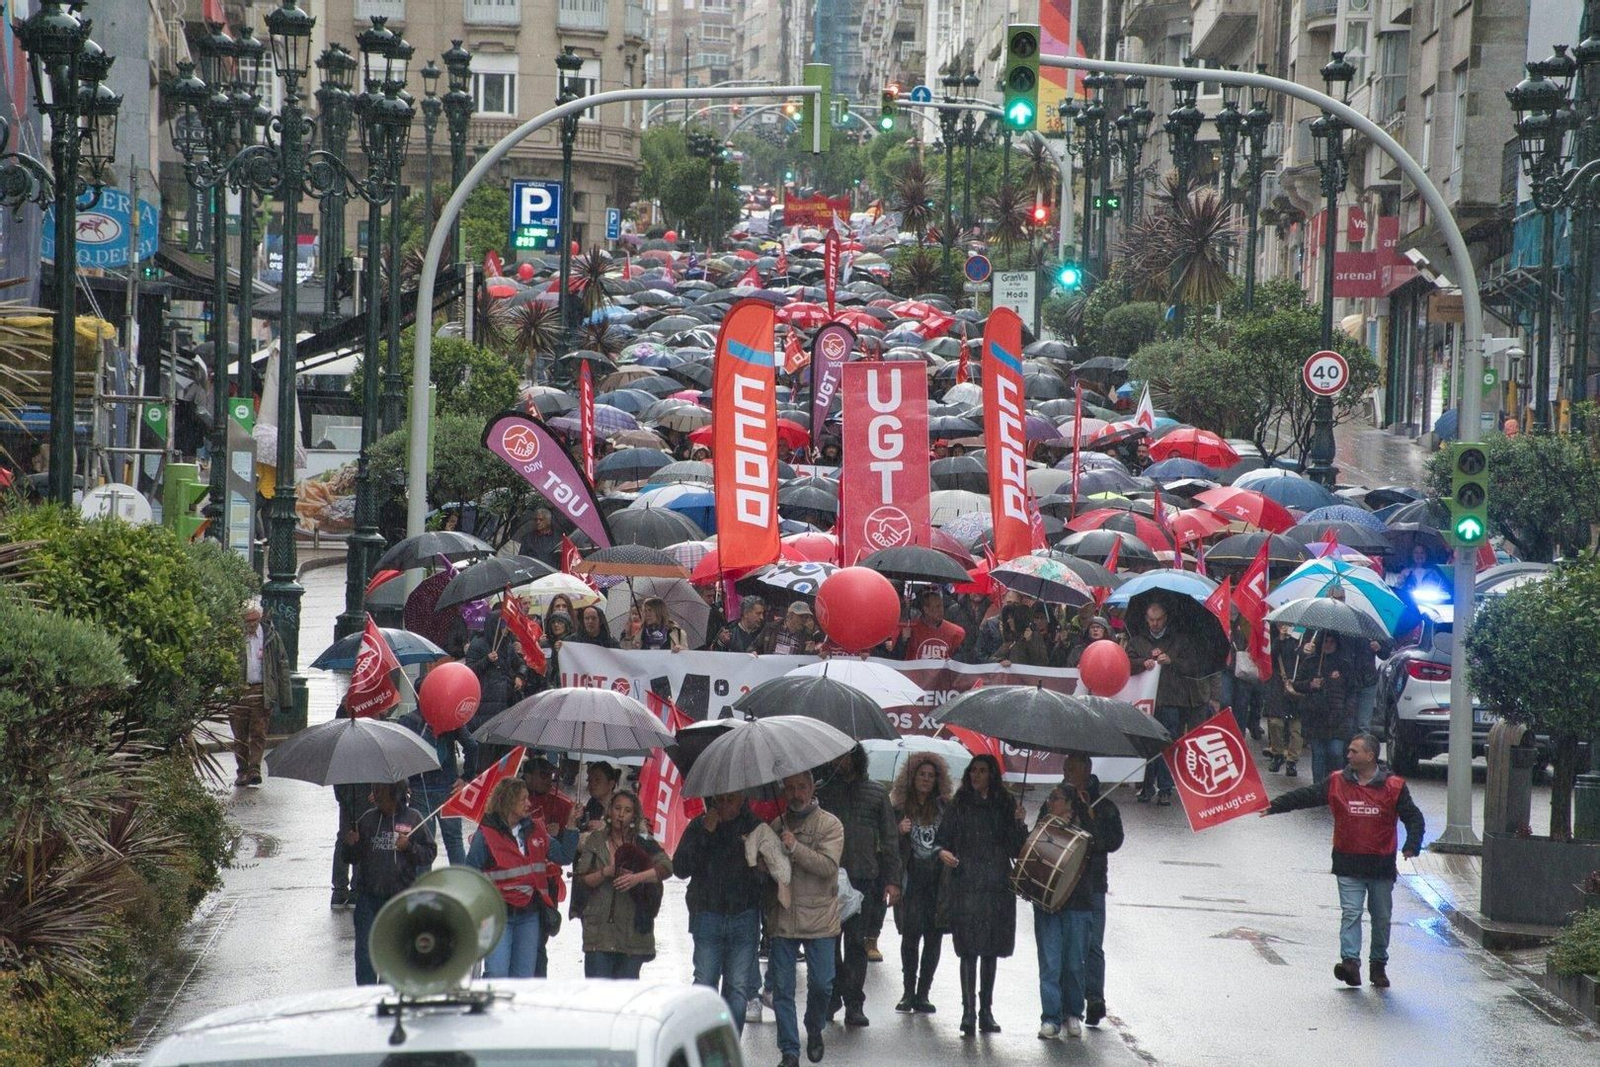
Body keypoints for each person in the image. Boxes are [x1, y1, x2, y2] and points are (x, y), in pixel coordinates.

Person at [1261, 733, 1425, 989]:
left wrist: (1412, 845)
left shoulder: (1394, 787)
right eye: (1348, 751)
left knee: (1381, 917)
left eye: (1354, 751)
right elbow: (1307, 796)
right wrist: (1275, 806)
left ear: (1370, 756)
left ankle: (1378, 965)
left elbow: (1413, 817)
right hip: (1348, 864)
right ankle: (1350, 964)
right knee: (1351, 913)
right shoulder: (1338, 781)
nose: (1348, 755)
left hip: (1380, 867)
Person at [933, 754, 1029, 1036]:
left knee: (990, 949)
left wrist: (1019, 823)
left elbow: (1016, 848)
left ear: (992, 775)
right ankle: (968, 1012)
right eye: (972, 771)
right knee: (968, 949)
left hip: (997, 884)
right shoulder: (959, 804)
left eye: (982, 771)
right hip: (966, 883)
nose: (976, 775)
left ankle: (986, 1010)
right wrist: (943, 853)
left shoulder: (1005, 803)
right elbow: (942, 839)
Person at [817, 744, 902, 1028]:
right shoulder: (823, 791)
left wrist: (892, 880)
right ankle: (832, 997)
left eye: (847, 755)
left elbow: (890, 840)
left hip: (863, 878)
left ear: (856, 758)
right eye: (837, 755)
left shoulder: (876, 793)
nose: (842, 761)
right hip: (827, 878)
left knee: (855, 943)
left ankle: (854, 1003)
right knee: (828, 943)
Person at [763, 770, 843, 1067]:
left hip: (819, 917)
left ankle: (814, 1024)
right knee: (782, 989)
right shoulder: (775, 825)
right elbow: (770, 871)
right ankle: (789, 1051)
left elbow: (827, 866)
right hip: (783, 916)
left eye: (801, 787)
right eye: (790, 788)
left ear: (812, 788)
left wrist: (795, 847)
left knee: (822, 984)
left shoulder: (830, 824)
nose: (795, 793)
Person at [465, 777, 580, 978]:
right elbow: (470, 876)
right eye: (523, 799)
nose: (529, 803)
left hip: (529, 914)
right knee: (497, 973)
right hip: (497, 915)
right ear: (508, 801)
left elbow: (563, 856)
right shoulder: (485, 835)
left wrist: (571, 826)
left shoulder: (536, 830)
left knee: (523, 977)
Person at [674, 791, 766, 1032]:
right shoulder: (700, 825)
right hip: (708, 912)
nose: (725, 806)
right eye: (720, 800)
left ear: (743, 799)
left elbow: (769, 874)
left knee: (737, 987)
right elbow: (680, 867)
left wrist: (756, 861)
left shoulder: (755, 827)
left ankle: (729, 1049)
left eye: (731, 800)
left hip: (743, 914)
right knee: (705, 983)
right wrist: (706, 832)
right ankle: (704, 1043)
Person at [1030, 783, 1111, 1039]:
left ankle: (1073, 1012)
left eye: (1056, 798)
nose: (1050, 801)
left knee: (1075, 964)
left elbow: (1100, 845)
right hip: (1048, 903)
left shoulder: (1086, 822)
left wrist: (1087, 816)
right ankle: (1051, 1018)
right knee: (1051, 963)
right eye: (1050, 797)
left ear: (1069, 803)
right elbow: (1031, 852)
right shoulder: (1045, 823)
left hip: (1078, 903)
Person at [341, 781, 438, 985]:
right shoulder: (367, 820)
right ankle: (366, 997)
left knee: (394, 955)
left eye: (380, 791)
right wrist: (351, 844)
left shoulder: (414, 818)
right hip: (368, 899)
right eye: (374, 790)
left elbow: (429, 853)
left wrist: (409, 846)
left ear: (395, 793)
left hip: (400, 899)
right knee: (365, 955)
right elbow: (351, 858)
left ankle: (388, 995)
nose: (375, 795)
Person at [1126, 599, 1221, 805]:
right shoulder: (1137, 641)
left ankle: (1166, 788)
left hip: (1172, 700)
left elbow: (1193, 666)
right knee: (1147, 745)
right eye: (1151, 620)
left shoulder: (1180, 640)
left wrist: (1172, 661)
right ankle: (1146, 786)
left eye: (1159, 620)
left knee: (1168, 745)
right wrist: (1143, 663)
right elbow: (1126, 664)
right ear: (1146, 619)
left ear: (1166, 619)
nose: (1155, 624)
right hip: (1145, 701)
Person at [574, 790, 672, 978]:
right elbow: (582, 879)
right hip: (599, 933)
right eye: (617, 808)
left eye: (627, 810)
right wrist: (605, 872)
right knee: (597, 996)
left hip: (633, 933)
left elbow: (666, 867)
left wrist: (637, 878)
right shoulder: (596, 839)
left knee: (625, 998)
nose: (621, 814)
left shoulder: (644, 841)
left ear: (634, 815)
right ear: (609, 811)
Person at [1060, 752, 1122, 1028]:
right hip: (1063, 883)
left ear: (1087, 771)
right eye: (1067, 769)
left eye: (1075, 769)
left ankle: (1095, 996)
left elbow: (1111, 841)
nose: (1070, 774)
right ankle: (1065, 1000)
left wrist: (1089, 814)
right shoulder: (1057, 800)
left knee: (1093, 944)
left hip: (1094, 884)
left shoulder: (1104, 804)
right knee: (1064, 946)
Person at [889, 752, 952, 1014]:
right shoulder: (900, 808)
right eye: (921, 775)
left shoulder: (945, 808)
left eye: (931, 776)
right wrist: (897, 829)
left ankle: (924, 993)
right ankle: (908, 991)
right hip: (911, 880)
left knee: (934, 937)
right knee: (911, 937)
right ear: (912, 777)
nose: (926, 780)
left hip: (938, 882)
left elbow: (953, 839)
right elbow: (886, 844)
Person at [396, 706, 476, 866]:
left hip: (419, 789)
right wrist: (466, 777)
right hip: (450, 788)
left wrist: (405, 781)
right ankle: (461, 885)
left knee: (423, 845)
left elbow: (397, 753)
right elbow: (472, 745)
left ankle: (425, 888)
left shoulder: (408, 721)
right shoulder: (451, 718)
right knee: (454, 842)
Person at [522, 753, 576, 977]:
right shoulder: (515, 804)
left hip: (548, 882)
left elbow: (566, 852)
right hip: (520, 885)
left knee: (538, 942)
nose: (548, 780)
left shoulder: (563, 803)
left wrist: (564, 830)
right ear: (527, 777)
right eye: (543, 775)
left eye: (551, 776)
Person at [233, 601, 292, 787]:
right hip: (239, 692)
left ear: (259, 619)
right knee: (240, 735)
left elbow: (282, 665)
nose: (250, 624)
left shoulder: (270, 637)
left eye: (254, 620)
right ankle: (242, 771)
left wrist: (285, 698)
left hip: (261, 691)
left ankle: (254, 769)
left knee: (258, 733)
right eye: (247, 620)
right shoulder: (234, 638)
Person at [466, 610, 527, 774]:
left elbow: (520, 664)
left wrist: (520, 676)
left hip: (506, 706)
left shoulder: (507, 645)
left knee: (504, 759)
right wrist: (486, 661)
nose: (506, 630)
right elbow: (469, 671)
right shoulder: (478, 645)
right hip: (485, 710)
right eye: (503, 626)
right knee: (485, 760)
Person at [1296, 631, 1357, 784]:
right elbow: (1297, 684)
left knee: (1336, 753)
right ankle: (1318, 788)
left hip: (1337, 718)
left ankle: (1334, 785)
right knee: (1318, 754)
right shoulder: (1310, 662)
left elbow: (1352, 690)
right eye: (1326, 641)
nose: (1328, 645)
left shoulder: (1344, 665)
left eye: (1332, 642)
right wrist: (1310, 684)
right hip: (1315, 717)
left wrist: (1347, 711)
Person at [1266, 621, 1306, 775]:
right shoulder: (1279, 639)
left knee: (1296, 727)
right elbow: (1271, 657)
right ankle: (1277, 754)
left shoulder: (1304, 638)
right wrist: (1281, 639)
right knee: (1276, 722)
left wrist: (1305, 650)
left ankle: (1292, 760)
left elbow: (1307, 660)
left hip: (1299, 684)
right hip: (1279, 684)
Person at [899, 588, 966, 660]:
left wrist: (952, 661)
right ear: (926, 610)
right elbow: (899, 657)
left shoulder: (954, 632)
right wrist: (904, 640)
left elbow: (961, 657)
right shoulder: (911, 629)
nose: (941, 610)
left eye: (941, 606)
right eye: (937, 606)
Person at [994, 603, 1051, 667]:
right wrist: (1000, 661)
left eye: (1011, 618)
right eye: (1008, 618)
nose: (1008, 621)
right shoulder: (1012, 639)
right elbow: (993, 658)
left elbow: (1042, 662)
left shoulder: (1034, 636)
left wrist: (1030, 642)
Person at [581, 761, 623, 832]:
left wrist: (605, 826)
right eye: (590, 780)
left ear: (611, 784)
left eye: (597, 780)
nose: (592, 784)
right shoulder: (592, 803)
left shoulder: (622, 805)